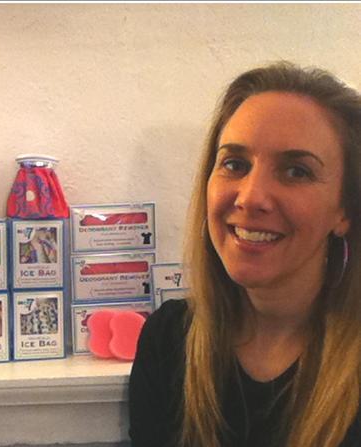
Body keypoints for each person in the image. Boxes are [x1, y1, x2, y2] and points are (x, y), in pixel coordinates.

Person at [129, 61, 361, 447]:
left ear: (345, 210)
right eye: (235, 164)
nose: (251, 197)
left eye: (296, 171)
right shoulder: (169, 339)